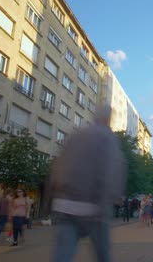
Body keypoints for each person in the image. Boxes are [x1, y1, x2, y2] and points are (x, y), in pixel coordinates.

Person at [47, 105, 127, 262]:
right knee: (103, 254)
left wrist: (54, 197)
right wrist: (113, 198)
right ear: (108, 119)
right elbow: (113, 169)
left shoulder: (75, 135)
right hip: (94, 208)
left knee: (62, 253)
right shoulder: (108, 137)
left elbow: (58, 166)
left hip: (65, 205)